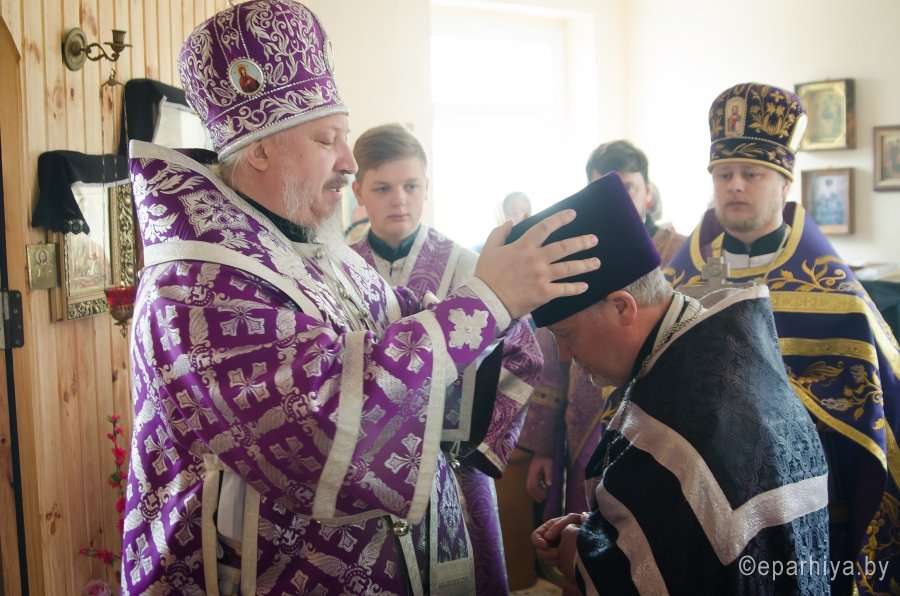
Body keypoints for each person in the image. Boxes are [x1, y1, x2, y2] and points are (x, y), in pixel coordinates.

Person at [121, 1, 600, 594]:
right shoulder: (194, 285)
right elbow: (320, 418)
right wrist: (487, 301)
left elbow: (404, 327)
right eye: (328, 139)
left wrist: (506, 304)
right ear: (262, 150)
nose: (349, 163)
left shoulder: (310, 249)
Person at [527, 173, 831, 594]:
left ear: (622, 308)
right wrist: (595, 532)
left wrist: (580, 560)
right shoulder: (707, 357)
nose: (563, 355)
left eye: (566, 334)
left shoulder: (689, 418)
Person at [665, 81, 900, 594]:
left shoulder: (835, 294)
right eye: (724, 174)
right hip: (699, 500)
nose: (735, 186)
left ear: (784, 184)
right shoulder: (677, 283)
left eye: (751, 174)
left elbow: (873, 408)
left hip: (806, 503)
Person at [349, 123, 538, 595]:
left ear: (427, 186)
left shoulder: (470, 267)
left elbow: (521, 352)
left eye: (411, 186)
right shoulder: (341, 268)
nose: (399, 200)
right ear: (358, 191)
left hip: (452, 464)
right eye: (383, 188)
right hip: (367, 465)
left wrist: (472, 439)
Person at [521, 139, 685, 537]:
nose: (619, 199)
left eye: (628, 187)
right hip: (588, 412)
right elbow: (554, 349)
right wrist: (543, 446)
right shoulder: (576, 251)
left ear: (648, 192)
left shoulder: (683, 251)